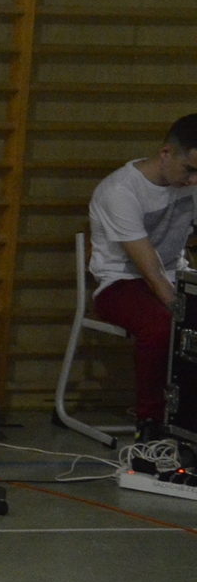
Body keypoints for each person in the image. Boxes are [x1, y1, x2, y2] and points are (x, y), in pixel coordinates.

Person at [88, 116, 197, 440]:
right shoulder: (120, 191)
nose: (193, 180)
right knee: (162, 328)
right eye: (189, 170)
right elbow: (150, 270)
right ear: (166, 153)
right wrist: (185, 313)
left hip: (173, 275)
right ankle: (150, 422)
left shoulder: (192, 182)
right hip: (121, 283)